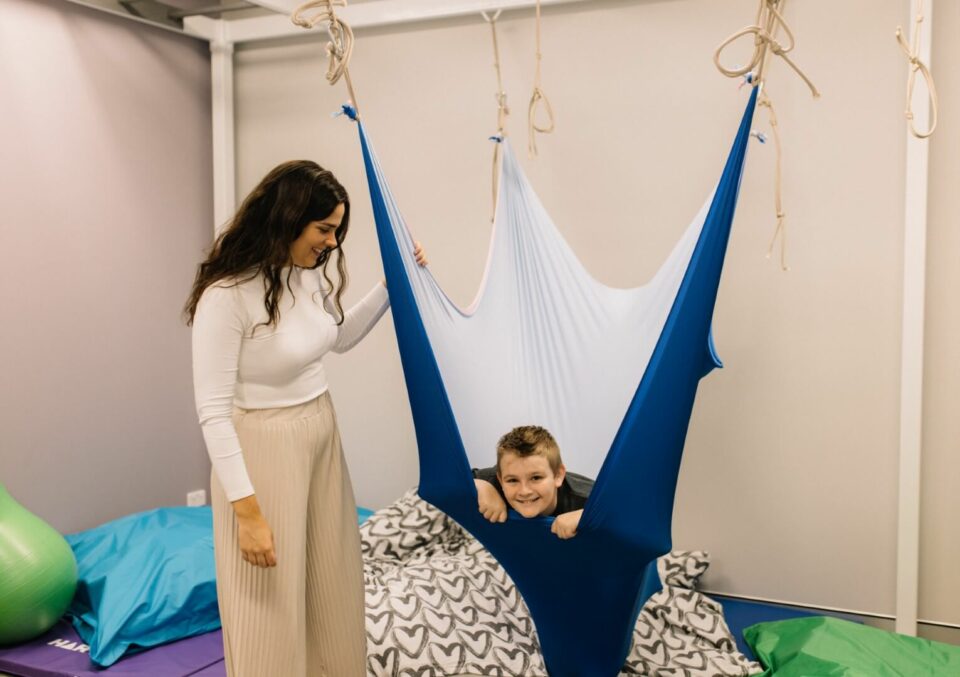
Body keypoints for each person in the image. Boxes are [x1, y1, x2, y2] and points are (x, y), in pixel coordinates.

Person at [184, 160, 426, 677]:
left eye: (336, 230)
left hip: (320, 433)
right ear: (288, 219)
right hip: (263, 449)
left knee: (330, 583)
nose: (332, 242)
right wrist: (247, 516)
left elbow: (336, 337)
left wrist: (393, 284)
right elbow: (213, 412)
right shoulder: (226, 297)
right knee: (270, 600)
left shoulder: (304, 277)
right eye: (325, 229)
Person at [472, 425, 593, 539]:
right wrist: (480, 485)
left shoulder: (588, 498)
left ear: (558, 475)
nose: (524, 491)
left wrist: (589, 516)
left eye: (536, 478)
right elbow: (457, 476)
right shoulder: (495, 478)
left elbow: (612, 503)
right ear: (500, 479)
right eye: (513, 480)